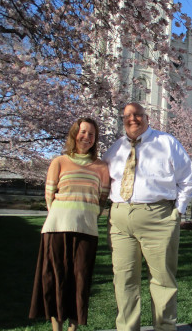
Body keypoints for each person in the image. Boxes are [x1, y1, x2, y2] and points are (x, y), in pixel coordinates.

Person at [103, 102, 192, 331]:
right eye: (127, 116)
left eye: (137, 115)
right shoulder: (115, 148)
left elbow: (188, 178)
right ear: (122, 120)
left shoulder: (166, 142)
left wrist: (178, 211)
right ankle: (127, 328)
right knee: (124, 280)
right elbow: (103, 179)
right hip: (120, 219)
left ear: (147, 117)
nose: (132, 119)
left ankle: (165, 327)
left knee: (163, 280)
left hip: (158, 217)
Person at [29, 118, 110, 331]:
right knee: (56, 279)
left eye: (91, 134)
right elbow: (50, 196)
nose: (87, 137)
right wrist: (65, 212)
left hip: (86, 229)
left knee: (80, 280)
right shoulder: (59, 162)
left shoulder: (101, 167)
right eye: (83, 132)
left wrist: (86, 213)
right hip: (57, 228)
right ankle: (56, 328)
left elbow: (102, 199)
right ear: (75, 134)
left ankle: (73, 328)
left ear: (95, 139)